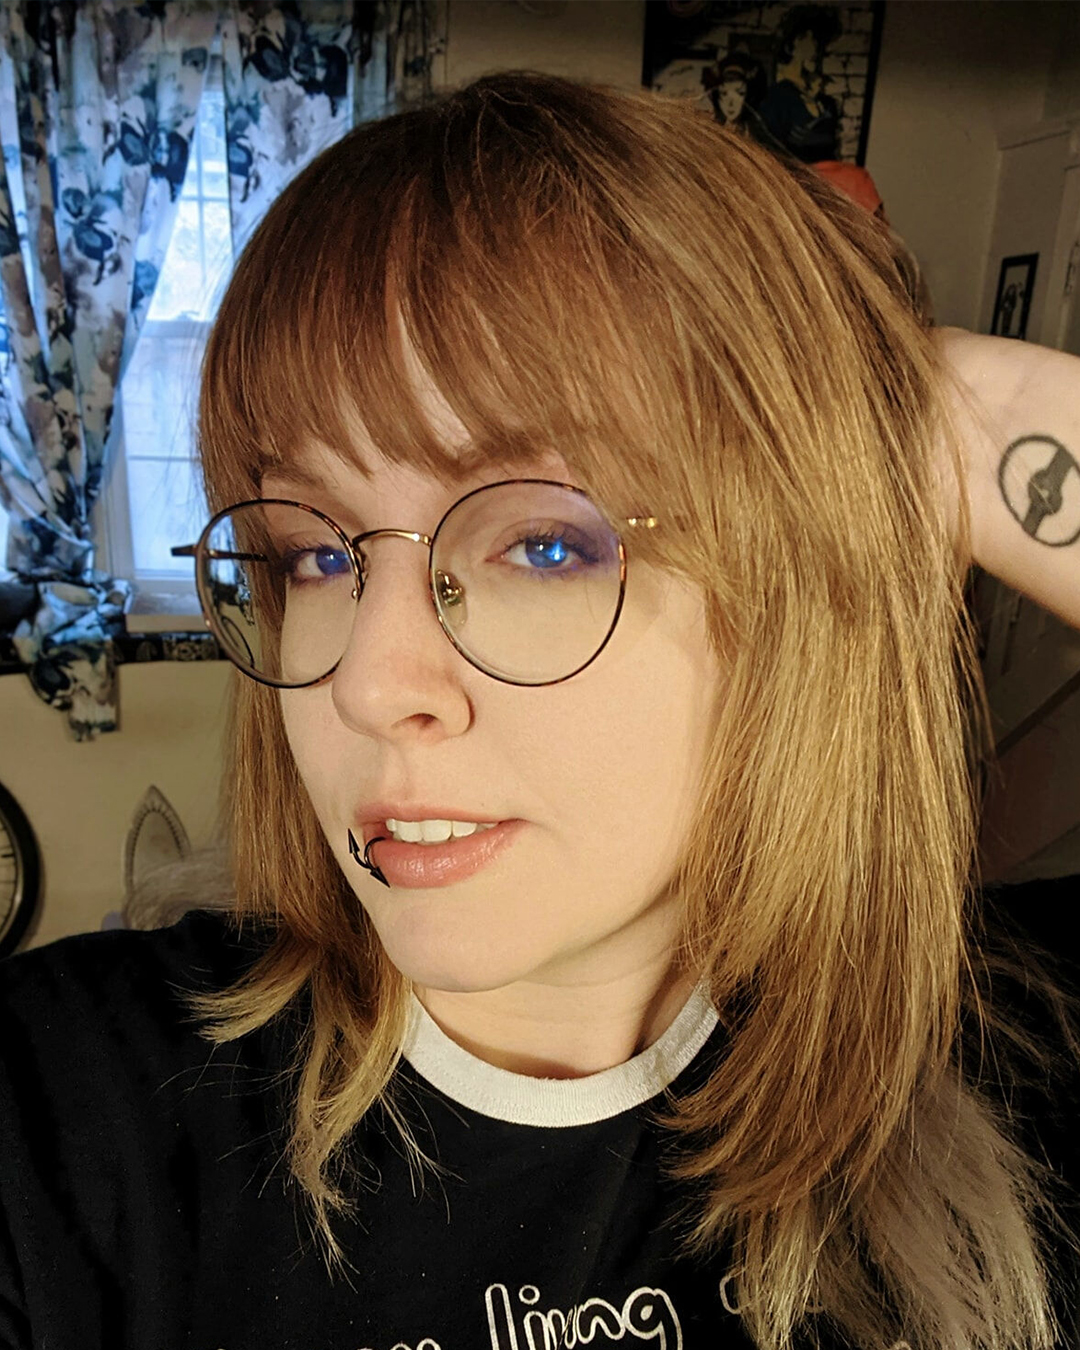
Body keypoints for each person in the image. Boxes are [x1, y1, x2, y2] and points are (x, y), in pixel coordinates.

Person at [1, 72, 1078, 1350]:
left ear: (790, 584)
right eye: (317, 556)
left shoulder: (1003, 1059)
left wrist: (950, 417)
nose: (368, 684)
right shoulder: (68, 1113)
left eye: (546, 545)